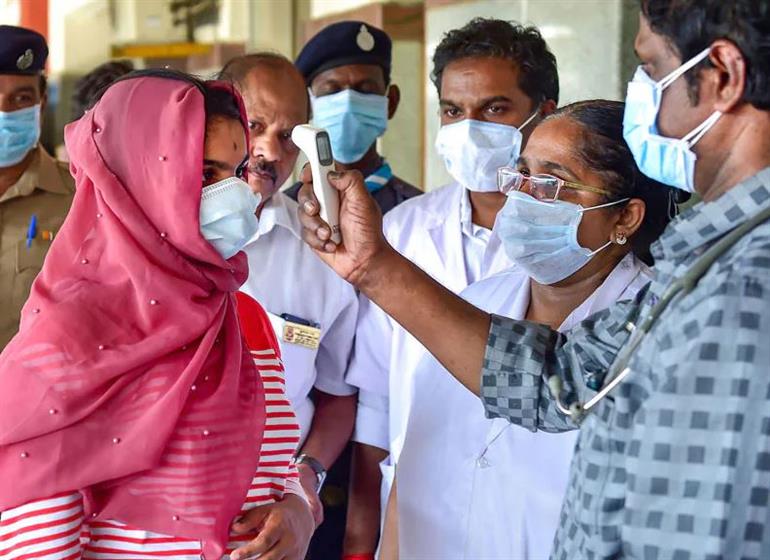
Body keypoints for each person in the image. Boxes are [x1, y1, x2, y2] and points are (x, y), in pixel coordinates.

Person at [298, 1, 770, 557]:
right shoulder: (702, 265)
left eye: (651, 67)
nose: (641, 93)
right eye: (521, 175)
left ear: (722, 76)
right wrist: (373, 266)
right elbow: (556, 382)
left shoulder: (745, 279)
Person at [0, 71, 313, 560]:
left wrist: (296, 508)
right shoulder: (62, 347)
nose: (236, 195)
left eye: (236, 172)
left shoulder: (241, 316)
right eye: (205, 174)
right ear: (135, 183)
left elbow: (271, 465)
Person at [386, 100, 677, 560]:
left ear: (625, 217)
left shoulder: (655, 329)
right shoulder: (473, 305)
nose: (523, 196)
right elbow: (413, 467)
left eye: (551, 184)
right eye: (521, 174)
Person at [341, 18, 559, 556]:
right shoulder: (401, 232)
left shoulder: (571, 239)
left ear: (544, 113)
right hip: (418, 512)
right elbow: (377, 397)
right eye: (453, 111)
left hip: (532, 515)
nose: (469, 128)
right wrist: (360, 537)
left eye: (495, 108)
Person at [217, 53, 358, 531]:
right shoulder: (155, 234)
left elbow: (338, 395)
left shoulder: (322, 252)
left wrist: (307, 475)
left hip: (274, 515)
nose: (269, 152)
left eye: (287, 136)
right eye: (253, 125)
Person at [285, 20, 421, 213]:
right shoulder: (286, 213)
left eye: (365, 90)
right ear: (308, 105)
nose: (348, 104)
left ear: (390, 102)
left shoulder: (421, 212)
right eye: (331, 91)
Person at [0, 25, 75, 350]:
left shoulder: (81, 198)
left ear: (41, 104)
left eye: (21, 98)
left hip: (42, 381)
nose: (4, 111)